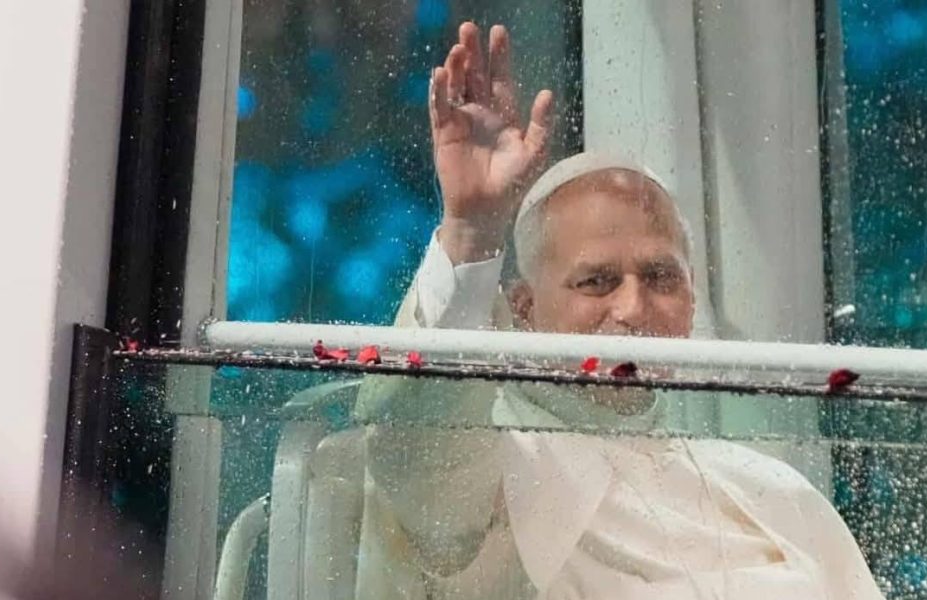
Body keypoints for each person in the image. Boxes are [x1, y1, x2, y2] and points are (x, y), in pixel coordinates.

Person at [352, 21, 883, 599]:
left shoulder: (767, 490)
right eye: (596, 282)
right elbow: (414, 441)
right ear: (525, 309)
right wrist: (472, 230)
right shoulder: (487, 477)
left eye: (659, 277)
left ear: (692, 301)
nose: (633, 307)